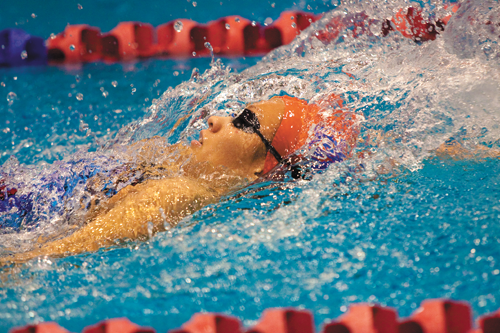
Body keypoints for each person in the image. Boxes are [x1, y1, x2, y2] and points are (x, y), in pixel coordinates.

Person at [2, 94, 360, 262]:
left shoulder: (178, 192)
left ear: (261, 168)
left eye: (244, 122)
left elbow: (51, 251)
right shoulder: (172, 164)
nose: (215, 118)